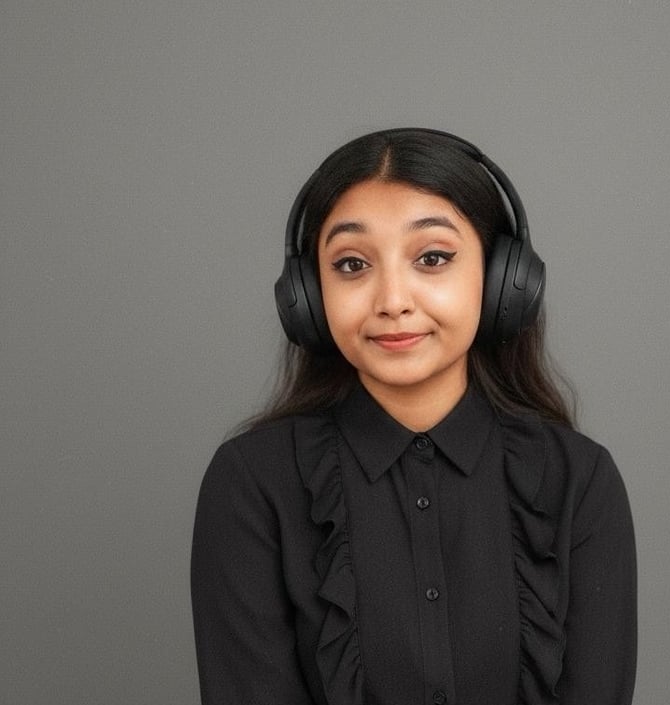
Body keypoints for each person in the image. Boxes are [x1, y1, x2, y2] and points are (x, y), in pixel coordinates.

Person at [191, 128, 637, 705]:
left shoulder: (580, 481)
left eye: (432, 258)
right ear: (307, 296)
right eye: (352, 264)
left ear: (504, 281)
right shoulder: (250, 484)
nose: (392, 299)